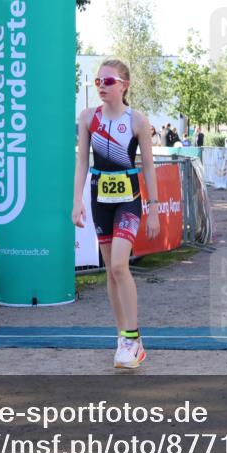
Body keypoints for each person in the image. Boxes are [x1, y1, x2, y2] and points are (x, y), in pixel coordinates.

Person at [72, 58, 161, 369]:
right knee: (110, 270)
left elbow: (148, 167)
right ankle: (123, 336)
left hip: (128, 199)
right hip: (99, 199)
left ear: (125, 85)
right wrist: (77, 201)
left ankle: (134, 339)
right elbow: (82, 161)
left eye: (108, 81)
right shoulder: (87, 118)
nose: (102, 87)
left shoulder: (137, 121)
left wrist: (153, 209)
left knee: (121, 266)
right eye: (98, 81)